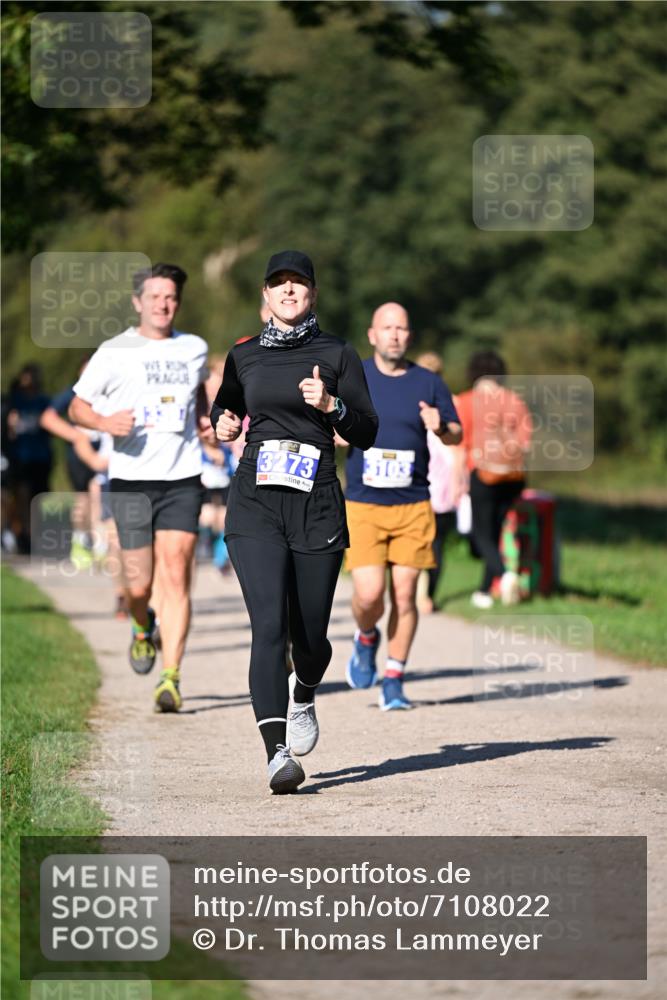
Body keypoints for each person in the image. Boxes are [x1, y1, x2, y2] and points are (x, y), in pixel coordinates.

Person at [211, 249, 377, 794]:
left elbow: (368, 431)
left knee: (310, 637)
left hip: (317, 504)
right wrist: (224, 424)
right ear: (265, 296)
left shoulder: (337, 352)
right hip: (255, 500)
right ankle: (276, 754)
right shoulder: (244, 354)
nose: (288, 291)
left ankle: (304, 690)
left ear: (312, 294)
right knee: (269, 627)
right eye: (278, 283)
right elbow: (224, 407)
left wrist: (331, 404)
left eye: (298, 283)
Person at [69, 262, 213, 711]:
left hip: (183, 476)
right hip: (130, 479)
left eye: (170, 297)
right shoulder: (114, 351)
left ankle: (170, 677)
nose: (163, 304)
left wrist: (206, 422)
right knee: (138, 585)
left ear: (178, 302)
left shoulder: (193, 348)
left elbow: (200, 396)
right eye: (154, 297)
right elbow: (77, 407)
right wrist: (104, 421)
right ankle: (140, 624)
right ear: (138, 302)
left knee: (177, 572)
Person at [342, 304, 461, 710]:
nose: (395, 334)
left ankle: (394, 676)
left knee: (406, 595)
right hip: (364, 503)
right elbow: (331, 423)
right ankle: (366, 637)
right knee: (370, 594)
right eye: (387, 327)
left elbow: (456, 434)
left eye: (402, 328)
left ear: (409, 336)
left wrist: (440, 426)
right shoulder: (354, 375)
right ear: (372, 334)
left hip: (413, 503)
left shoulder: (428, 382)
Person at [455, 350, 532, 608]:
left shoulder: (467, 401)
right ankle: (485, 591)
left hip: (482, 474)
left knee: (481, 533)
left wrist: (459, 478)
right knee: (496, 530)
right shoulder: (514, 400)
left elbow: (460, 443)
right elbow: (526, 441)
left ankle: (505, 575)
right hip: (513, 476)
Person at [415, 351, 468, 613]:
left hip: (439, 478)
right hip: (422, 475)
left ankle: (425, 595)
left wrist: (458, 482)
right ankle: (418, 592)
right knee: (423, 540)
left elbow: (459, 447)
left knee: (433, 542)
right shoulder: (415, 399)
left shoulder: (448, 402)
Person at [40, 355, 103, 572]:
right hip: (78, 456)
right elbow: (48, 418)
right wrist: (75, 436)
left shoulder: (110, 391)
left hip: (104, 454)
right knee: (83, 500)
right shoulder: (72, 394)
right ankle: (80, 542)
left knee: (99, 495)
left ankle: (100, 545)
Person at [5, 364, 53, 553]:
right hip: (20, 457)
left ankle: (38, 534)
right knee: (22, 497)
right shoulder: (14, 401)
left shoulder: (43, 401)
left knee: (39, 498)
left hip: (41, 457)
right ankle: (22, 534)